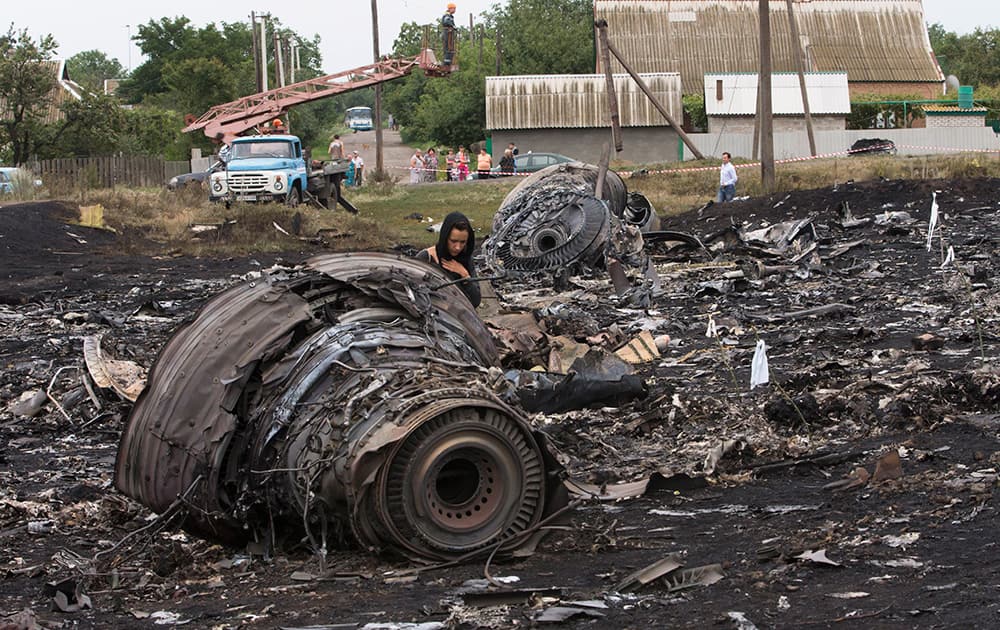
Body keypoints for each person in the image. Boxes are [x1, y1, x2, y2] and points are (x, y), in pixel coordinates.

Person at [415, 211, 481, 308]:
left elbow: (475, 301)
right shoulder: (426, 258)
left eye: (462, 242)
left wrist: (465, 276)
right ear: (445, 238)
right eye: (453, 241)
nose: (458, 247)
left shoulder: (466, 259)